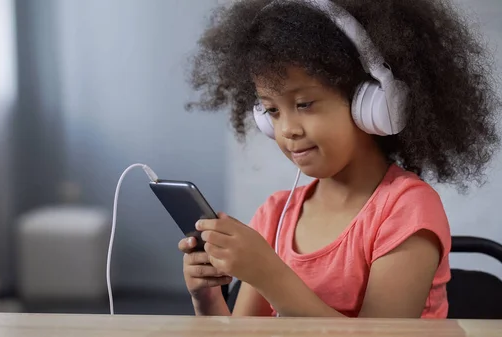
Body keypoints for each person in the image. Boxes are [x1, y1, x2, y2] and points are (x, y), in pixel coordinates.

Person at [178, 0, 501, 318]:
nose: (287, 129)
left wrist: (270, 275)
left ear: (374, 105)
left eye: (304, 103)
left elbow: (381, 336)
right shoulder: (276, 214)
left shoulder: (406, 209)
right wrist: (206, 297)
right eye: (272, 111)